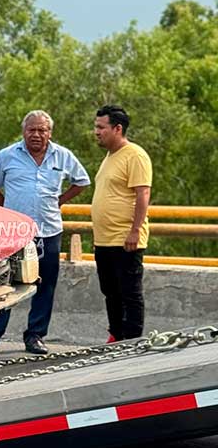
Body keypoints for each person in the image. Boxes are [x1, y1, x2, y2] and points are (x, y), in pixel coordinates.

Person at [0, 110, 90, 354]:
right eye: (32, 129)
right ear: (24, 131)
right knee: (5, 283)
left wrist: (60, 200)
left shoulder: (62, 155)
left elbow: (82, 181)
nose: (37, 134)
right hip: (14, 233)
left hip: (49, 231)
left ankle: (35, 335)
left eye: (42, 130)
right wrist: (7, 209)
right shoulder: (7, 155)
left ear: (49, 133)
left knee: (45, 284)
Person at [91, 104, 152, 341]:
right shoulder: (110, 156)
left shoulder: (135, 155)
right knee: (110, 291)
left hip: (125, 237)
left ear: (117, 129)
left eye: (101, 127)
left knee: (130, 292)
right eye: (96, 127)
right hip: (104, 239)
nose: (96, 132)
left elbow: (142, 194)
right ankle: (116, 335)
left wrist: (135, 231)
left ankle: (132, 340)